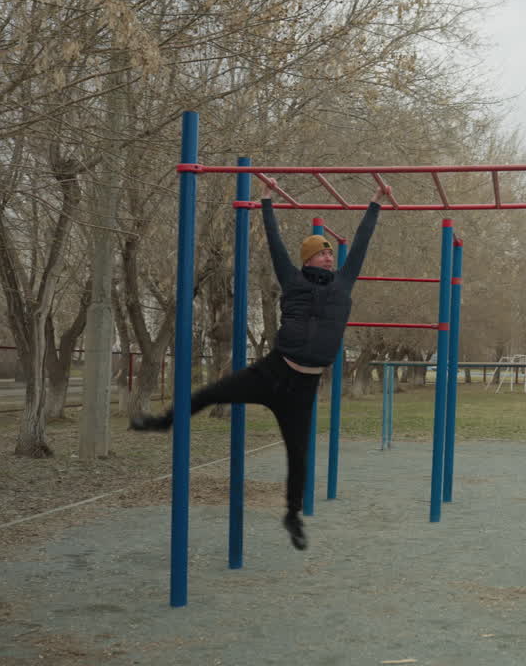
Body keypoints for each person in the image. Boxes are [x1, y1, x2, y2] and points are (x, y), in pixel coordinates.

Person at [131, 179, 389, 551]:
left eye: (331, 254)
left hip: (303, 388)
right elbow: (274, 246)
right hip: (272, 372)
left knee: (298, 456)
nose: (330, 258)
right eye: (322, 253)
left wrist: (375, 203)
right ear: (307, 259)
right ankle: (162, 422)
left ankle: (292, 515)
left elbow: (362, 243)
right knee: (211, 392)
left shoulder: (343, 285)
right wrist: (266, 203)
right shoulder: (292, 279)